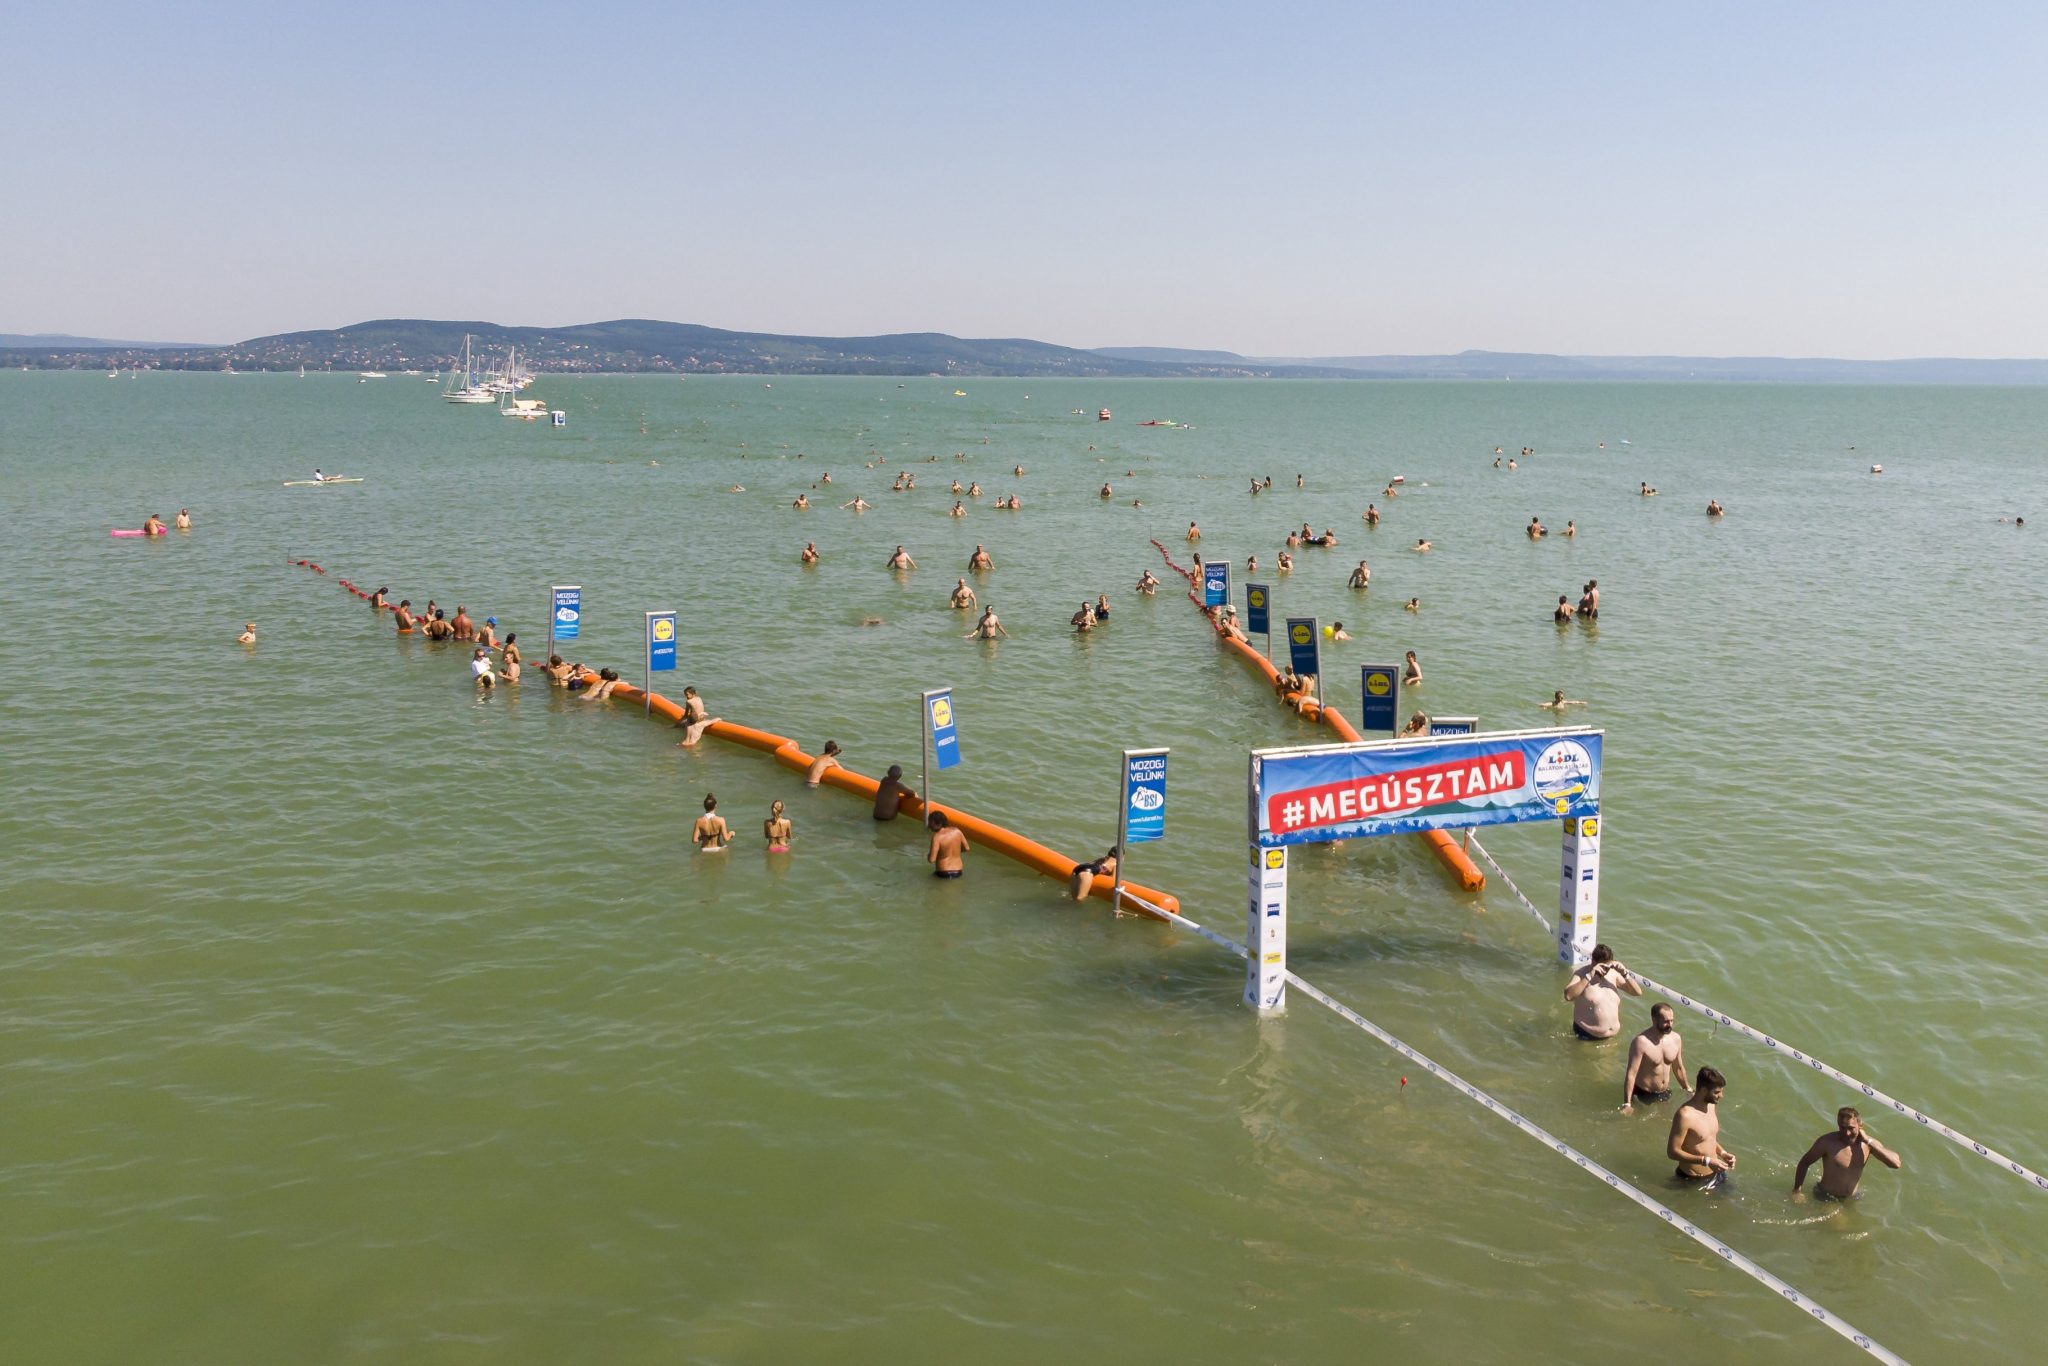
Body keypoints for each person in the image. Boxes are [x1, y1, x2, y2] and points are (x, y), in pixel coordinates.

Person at [1793, 1107, 1903, 1201]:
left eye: (1851, 1128)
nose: (1846, 1133)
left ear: (1860, 1125)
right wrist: (1797, 1191)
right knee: (1841, 1226)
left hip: (1853, 1197)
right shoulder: (1827, 1142)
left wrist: (1868, 1142)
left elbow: (1896, 1164)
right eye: (1842, 1127)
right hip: (1826, 1196)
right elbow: (1804, 1163)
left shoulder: (1868, 1145)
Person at [1668, 1067, 1736, 1184]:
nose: (1721, 1096)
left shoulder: (1711, 1106)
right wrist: (1706, 1161)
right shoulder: (1685, 1115)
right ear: (1704, 1090)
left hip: (1716, 1172)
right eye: (1717, 1092)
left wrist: (1723, 1153)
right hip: (1691, 1179)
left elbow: (1708, 1138)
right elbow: (1672, 1152)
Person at [1562, 944, 1641, 1040]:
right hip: (1586, 1036)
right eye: (1603, 967)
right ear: (1593, 962)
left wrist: (1625, 974)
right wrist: (1589, 977)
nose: (1605, 971)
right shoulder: (1581, 974)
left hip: (1612, 1038)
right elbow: (1568, 996)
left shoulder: (1613, 975)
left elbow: (1637, 992)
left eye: (1608, 967)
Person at [1621, 1003, 1689, 1113]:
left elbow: (1678, 1068)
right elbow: (1631, 1073)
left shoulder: (1676, 1039)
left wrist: (1688, 1089)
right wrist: (1627, 1104)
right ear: (1654, 1019)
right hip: (1643, 1093)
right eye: (1666, 1021)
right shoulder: (1641, 1042)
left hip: (1664, 1092)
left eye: (1672, 1021)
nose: (1670, 1025)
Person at [926, 811, 968, 878]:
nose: (929, 825)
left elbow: (932, 860)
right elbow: (967, 848)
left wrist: (928, 855)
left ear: (938, 823)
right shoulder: (957, 831)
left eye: (930, 823)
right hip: (958, 871)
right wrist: (954, 852)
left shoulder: (937, 837)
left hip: (943, 872)